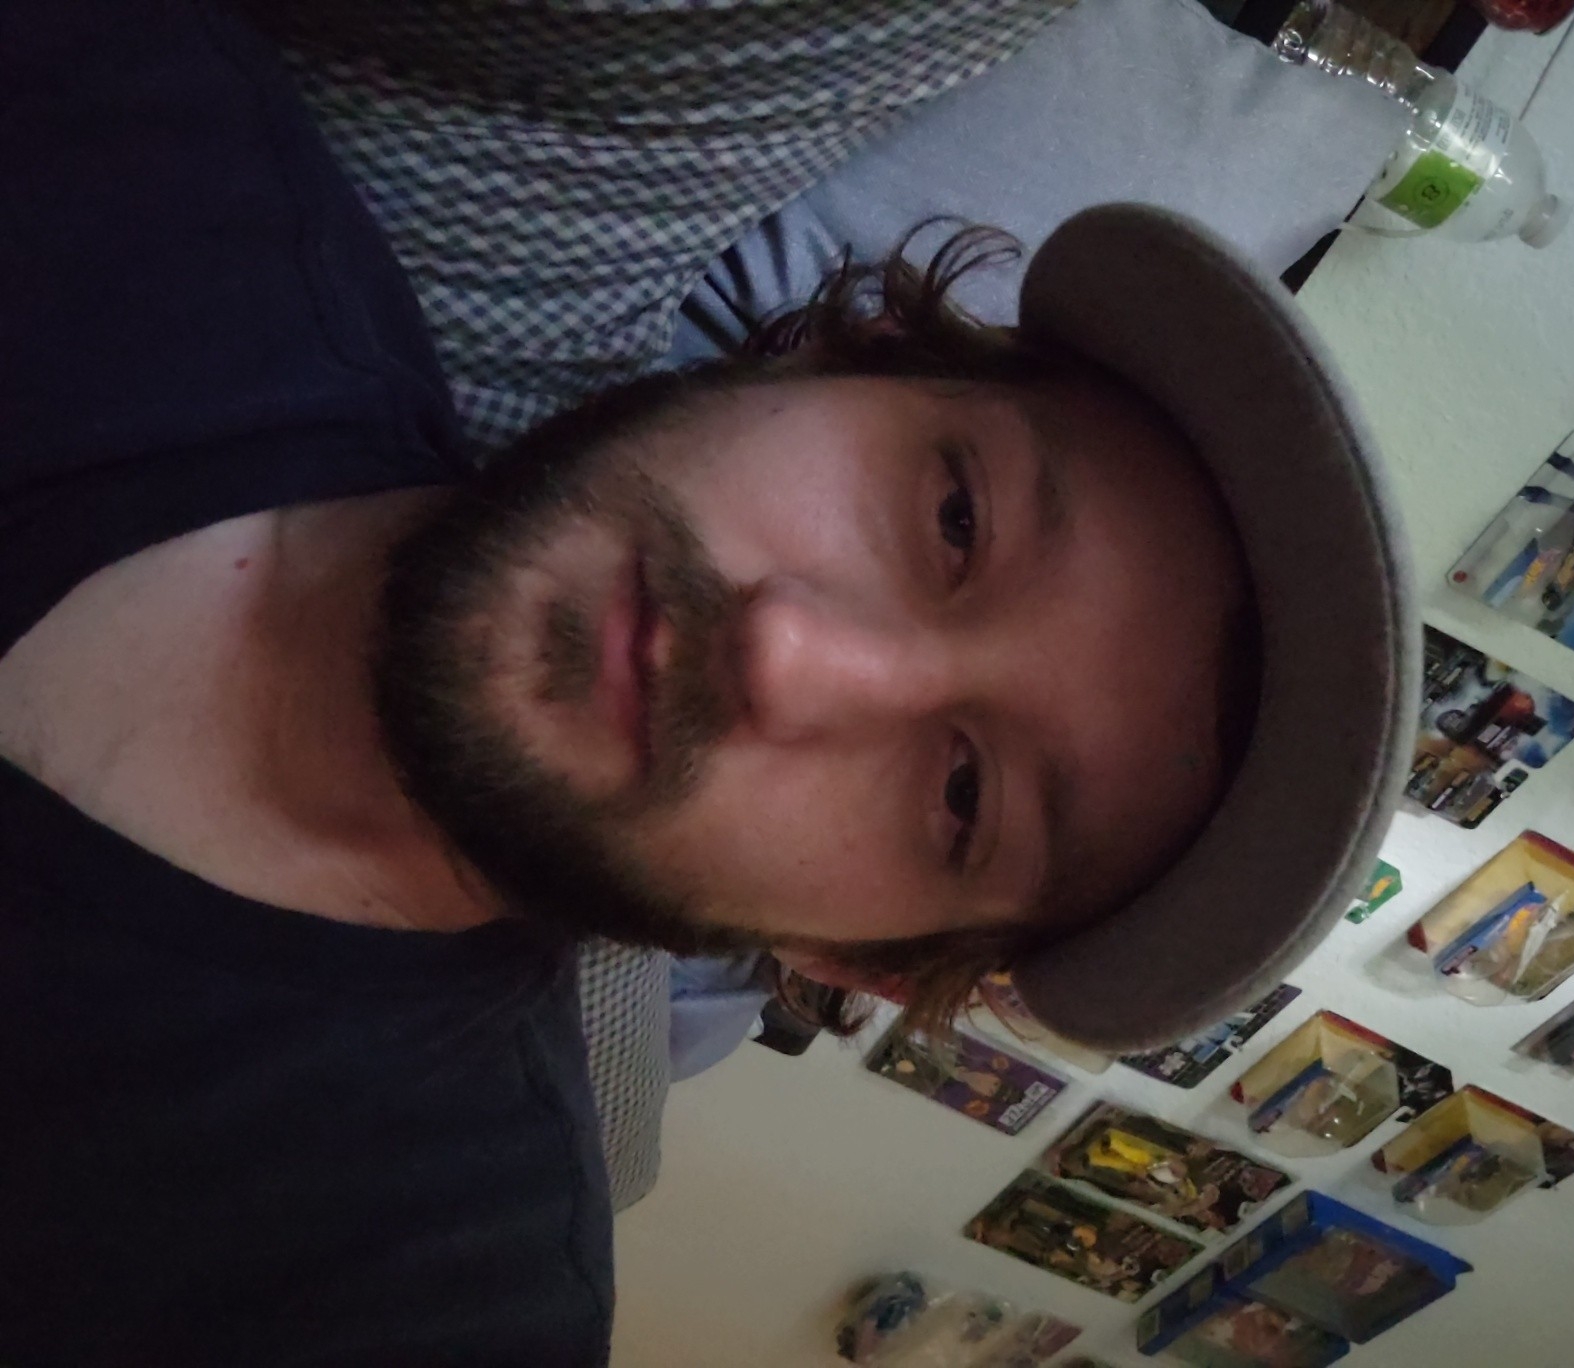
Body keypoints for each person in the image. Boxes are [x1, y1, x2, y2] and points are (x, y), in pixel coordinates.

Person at [0, 1, 1413, 1364]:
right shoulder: (125, 137)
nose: (791, 655)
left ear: (847, 961)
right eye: (954, 519)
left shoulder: (403, 1299)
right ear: (847, 359)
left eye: (962, 794)